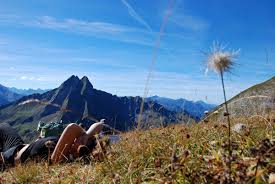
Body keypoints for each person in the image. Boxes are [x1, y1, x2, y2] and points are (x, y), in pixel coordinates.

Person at [0, 119, 105, 171]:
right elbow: (100, 125)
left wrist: (84, 135)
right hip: (20, 145)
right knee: (4, 126)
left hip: (9, 158)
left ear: (81, 151)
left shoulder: (61, 156)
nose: (76, 141)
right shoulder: (68, 143)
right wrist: (87, 136)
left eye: (81, 144)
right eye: (79, 139)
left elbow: (71, 127)